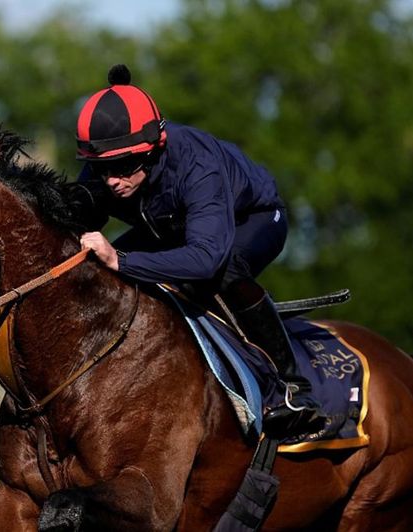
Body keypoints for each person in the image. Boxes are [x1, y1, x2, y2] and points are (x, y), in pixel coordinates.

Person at [73, 64, 325, 439]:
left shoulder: (197, 165)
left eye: (123, 167)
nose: (111, 180)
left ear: (154, 148)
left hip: (249, 220)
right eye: (101, 168)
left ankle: (292, 388)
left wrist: (120, 260)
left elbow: (207, 258)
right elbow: (72, 214)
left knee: (226, 271)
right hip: (172, 228)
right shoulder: (110, 169)